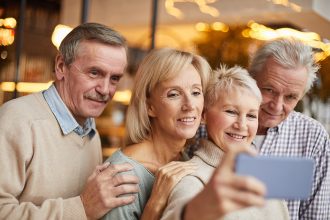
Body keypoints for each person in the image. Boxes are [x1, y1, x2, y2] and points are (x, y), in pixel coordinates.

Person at [0, 23, 140, 220]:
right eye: (94, 73)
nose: (105, 89)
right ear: (60, 67)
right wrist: (82, 208)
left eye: (114, 78)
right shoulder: (17, 120)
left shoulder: (91, 133)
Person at [161, 65, 290, 220]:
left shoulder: (265, 178)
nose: (242, 125)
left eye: (251, 115)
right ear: (204, 115)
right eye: (231, 111)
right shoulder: (191, 179)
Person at [101, 48, 211, 220]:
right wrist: (156, 203)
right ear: (149, 107)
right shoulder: (122, 175)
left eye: (196, 92)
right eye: (174, 94)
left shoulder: (187, 158)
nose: (190, 105)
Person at [249, 37, 330, 220]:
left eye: (290, 97)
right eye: (269, 90)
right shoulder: (211, 126)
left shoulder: (313, 137)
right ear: (251, 78)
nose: (277, 106)